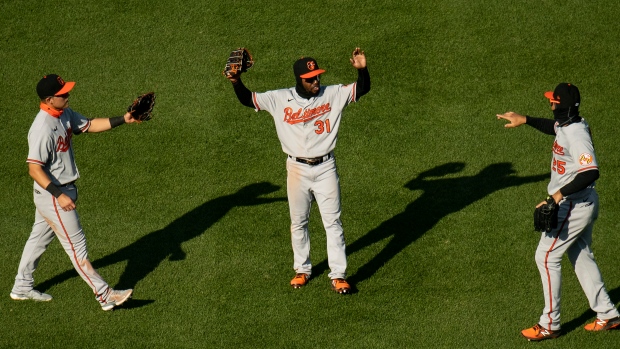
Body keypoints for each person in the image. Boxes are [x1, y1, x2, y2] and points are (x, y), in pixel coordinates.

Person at [225, 48, 370, 294]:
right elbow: (249, 100)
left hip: (326, 168)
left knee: (333, 223)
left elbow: (361, 89)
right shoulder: (279, 98)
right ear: (299, 79)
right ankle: (302, 269)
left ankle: (338, 275)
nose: (316, 81)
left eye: (317, 76)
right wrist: (237, 82)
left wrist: (362, 70)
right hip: (296, 169)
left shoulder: (332, 94)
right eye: (310, 78)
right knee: (298, 222)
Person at [497, 83, 620, 341]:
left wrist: (556, 196)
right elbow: (551, 127)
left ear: (561, 105)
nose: (550, 103)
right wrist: (526, 120)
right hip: (581, 202)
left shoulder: (577, 135)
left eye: (553, 101)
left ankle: (549, 324)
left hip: (573, 205)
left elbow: (591, 171)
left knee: (545, 257)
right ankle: (607, 314)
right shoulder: (567, 125)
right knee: (581, 255)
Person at [11, 74, 138, 311]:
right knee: (77, 247)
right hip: (54, 195)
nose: (68, 96)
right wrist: (59, 195)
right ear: (49, 100)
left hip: (56, 193)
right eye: (63, 94)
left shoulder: (64, 114)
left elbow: (89, 125)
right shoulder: (42, 128)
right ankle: (105, 295)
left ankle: (21, 287)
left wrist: (124, 118)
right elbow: (34, 169)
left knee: (38, 239)